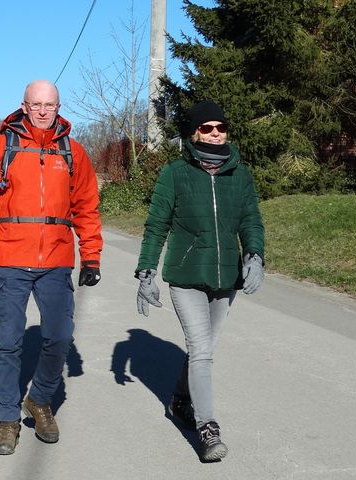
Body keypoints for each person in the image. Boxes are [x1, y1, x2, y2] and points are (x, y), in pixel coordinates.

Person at [0, 80, 103, 455]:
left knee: (59, 337)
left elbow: (86, 207)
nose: (42, 110)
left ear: (58, 107)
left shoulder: (72, 152)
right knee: (8, 344)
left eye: (49, 104)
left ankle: (38, 400)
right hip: (9, 260)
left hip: (55, 261)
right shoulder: (0, 148)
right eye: (35, 104)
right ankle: (7, 420)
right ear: (23, 106)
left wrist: (91, 257)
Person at [135, 100, 265, 462]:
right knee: (202, 351)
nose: (214, 133)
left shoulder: (240, 174)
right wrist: (146, 271)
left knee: (202, 349)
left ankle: (179, 399)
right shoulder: (175, 172)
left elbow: (251, 220)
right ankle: (208, 429)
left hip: (225, 278)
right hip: (187, 275)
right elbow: (156, 225)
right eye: (206, 128)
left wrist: (254, 255)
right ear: (194, 132)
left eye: (220, 127)